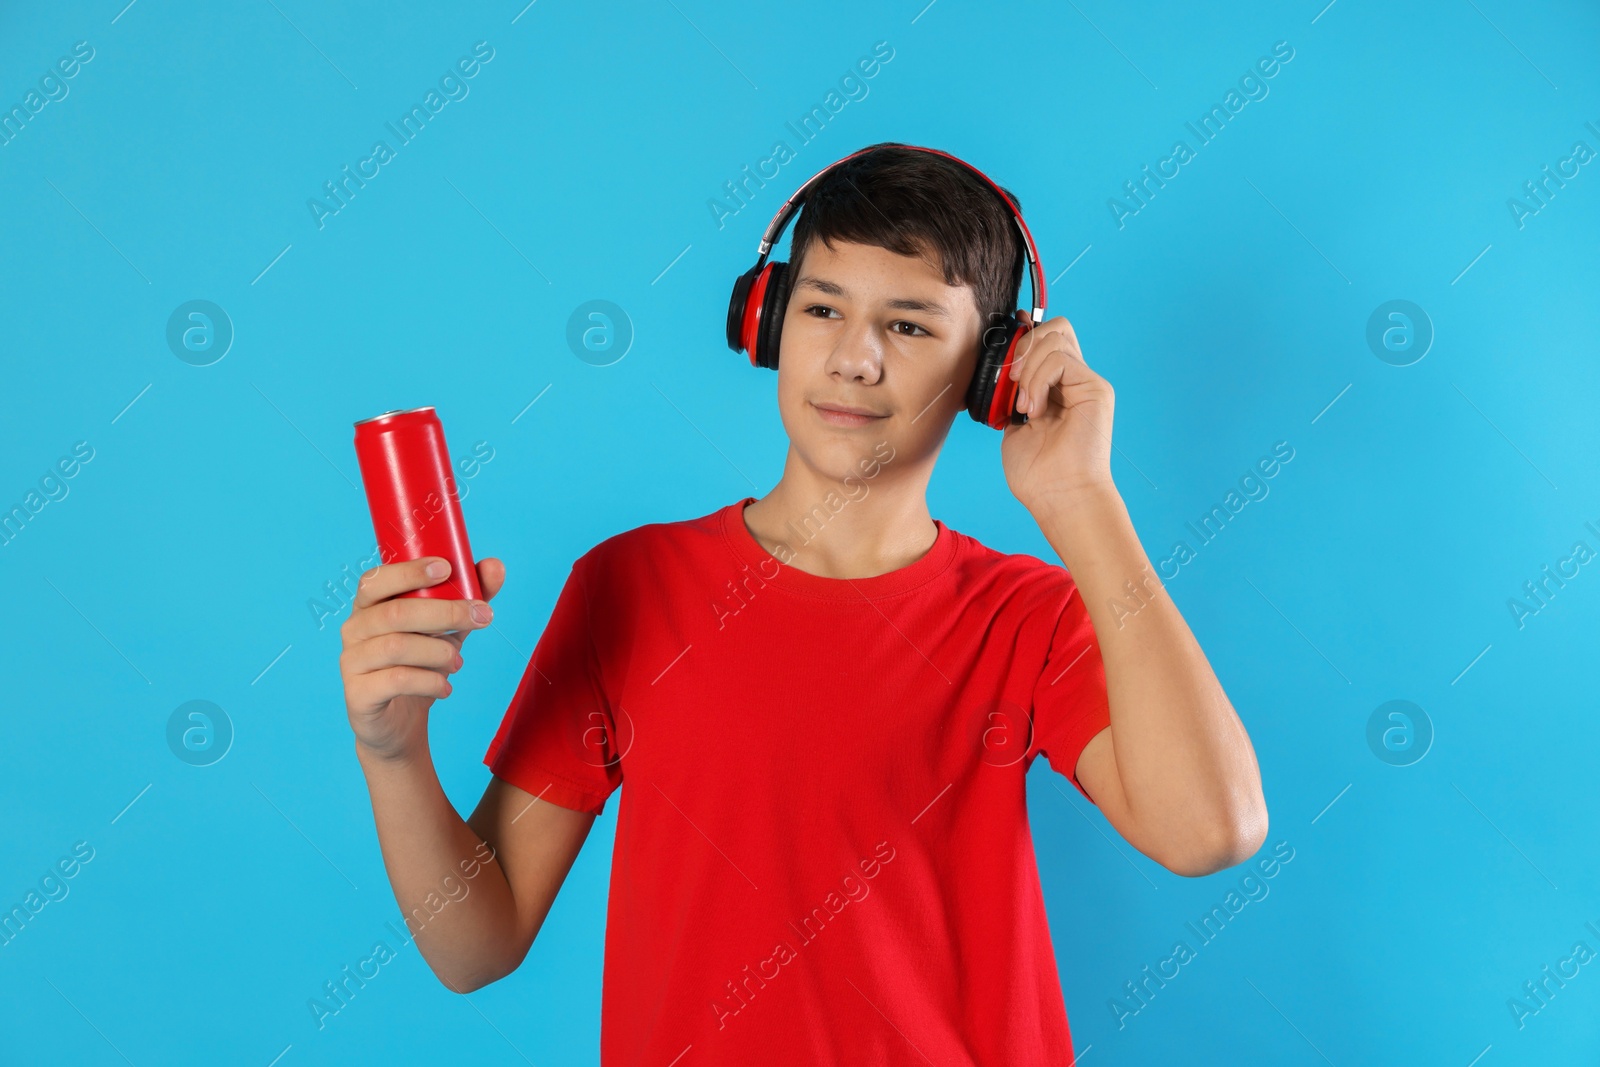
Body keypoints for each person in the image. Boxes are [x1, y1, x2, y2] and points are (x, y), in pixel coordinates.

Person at [338, 142, 1267, 1064]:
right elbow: (475, 947)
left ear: (993, 373)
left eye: (908, 327)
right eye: (823, 308)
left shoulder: (1027, 614)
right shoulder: (632, 585)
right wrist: (395, 754)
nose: (854, 360)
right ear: (768, 322)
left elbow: (1210, 829)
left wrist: (1083, 502)